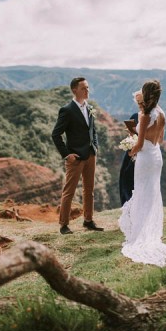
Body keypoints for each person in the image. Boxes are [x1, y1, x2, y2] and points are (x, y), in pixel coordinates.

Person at [118, 80, 166, 267]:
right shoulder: (161, 114)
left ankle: (140, 232)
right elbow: (160, 138)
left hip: (144, 158)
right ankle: (149, 230)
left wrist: (130, 150)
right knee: (152, 193)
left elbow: (140, 144)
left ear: (146, 94)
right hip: (156, 156)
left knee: (142, 192)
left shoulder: (144, 115)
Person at [51, 77, 102, 235]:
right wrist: (67, 155)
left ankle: (88, 220)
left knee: (89, 190)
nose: (87, 91)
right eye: (84, 88)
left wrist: (94, 146)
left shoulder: (90, 107)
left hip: (90, 155)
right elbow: (56, 134)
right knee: (69, 192)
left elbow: (92, 130)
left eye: (88, 87)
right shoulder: (67, 110)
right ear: (75, 90)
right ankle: (64, 224)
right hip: (75, 157)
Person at [118, 91, 143, 206]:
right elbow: (131, 135)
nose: (140, 105)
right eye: (138, 102)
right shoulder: (134, 116)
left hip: (142, 154)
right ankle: (127, 205)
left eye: (142, 102)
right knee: (125, 179)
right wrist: (130, 140)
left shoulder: (151, 118)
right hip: (131, 153)